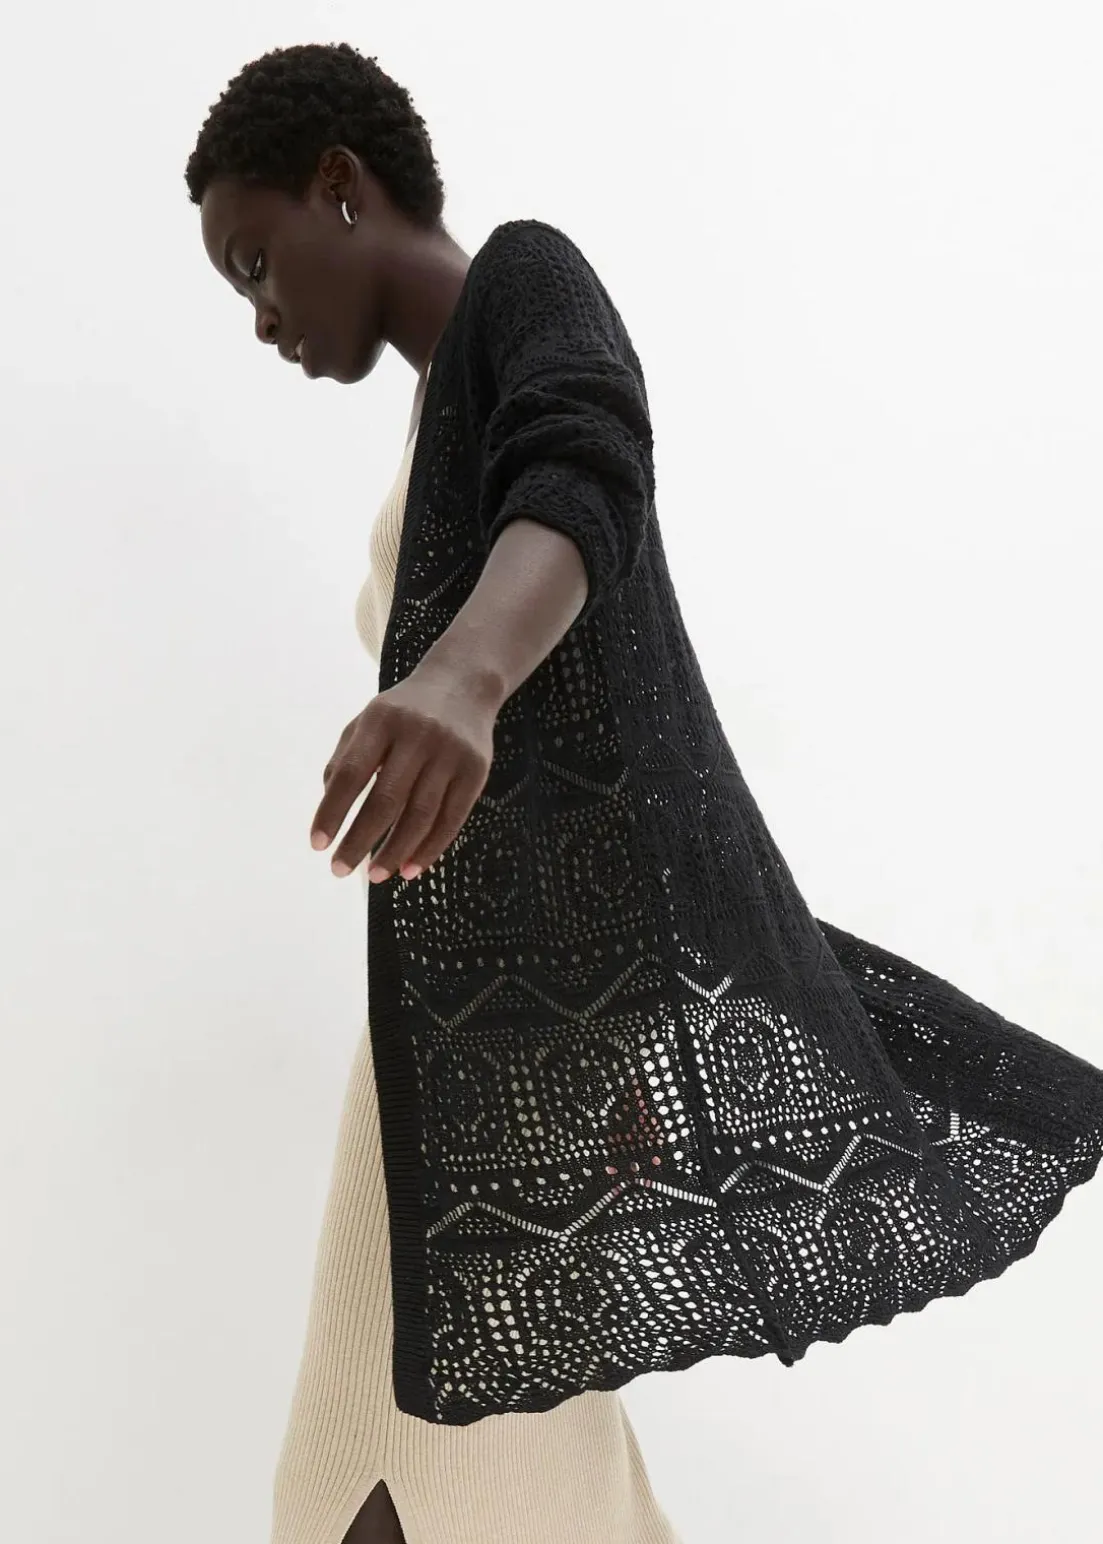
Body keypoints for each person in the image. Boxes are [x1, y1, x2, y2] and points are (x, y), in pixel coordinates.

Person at [186, 39, 1103, 1544]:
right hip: (469, 1042)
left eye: (255, 262)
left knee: (393, 1486)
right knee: (456, 1472)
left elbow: (589, 460)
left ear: (340, 186)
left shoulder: (526, 279)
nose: (263, 316)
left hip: (529, 1039)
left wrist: (462, 677)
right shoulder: (430, 434)